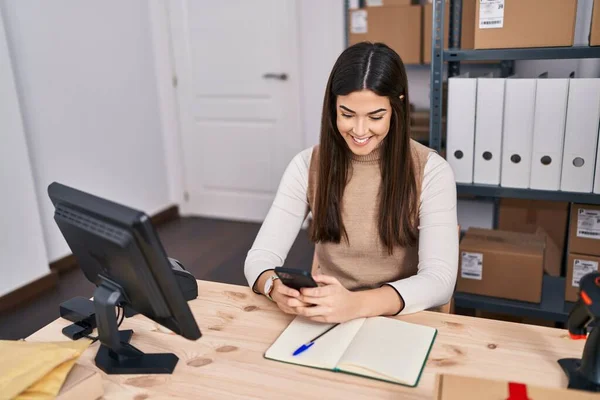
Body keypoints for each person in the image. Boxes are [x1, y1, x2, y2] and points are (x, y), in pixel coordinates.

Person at [244, 42, 458, 324]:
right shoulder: (307, 165)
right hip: (328, 315)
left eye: (375, 116)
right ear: (332, 106)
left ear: (398, 106)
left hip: (402, 316)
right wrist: (272, 286)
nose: (359, 131)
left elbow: (439, 281)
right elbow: (259, 257)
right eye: (346, 114)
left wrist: (356, 304)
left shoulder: (431, 171)